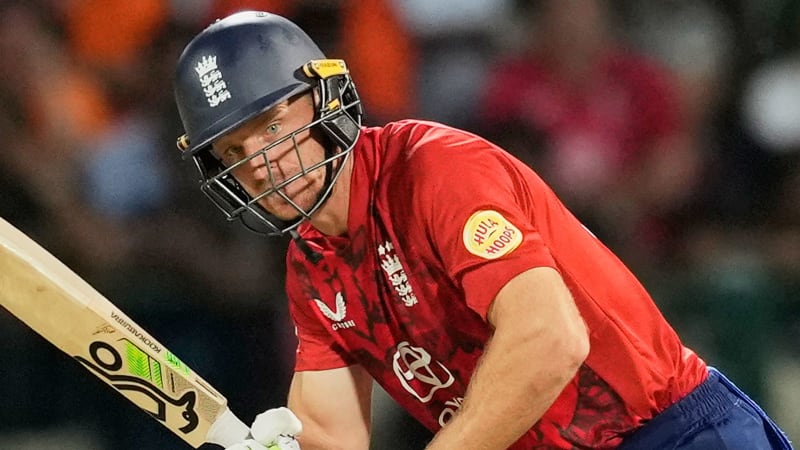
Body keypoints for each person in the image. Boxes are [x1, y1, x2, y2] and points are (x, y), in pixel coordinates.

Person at [172, 11, 793, 450]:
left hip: (672, 433)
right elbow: (331, 434)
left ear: (324, 96)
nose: (263, 161)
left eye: (276, 122)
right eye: (235, 149)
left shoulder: (434, 169)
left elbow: (549, 338)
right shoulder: (312, 266)